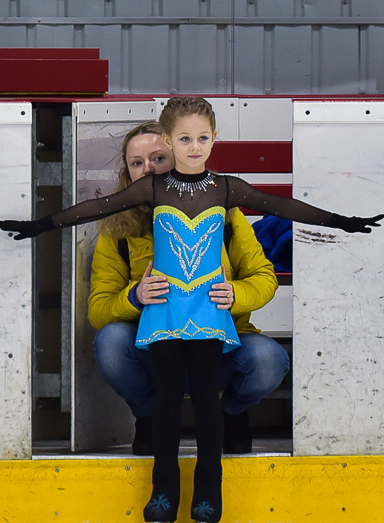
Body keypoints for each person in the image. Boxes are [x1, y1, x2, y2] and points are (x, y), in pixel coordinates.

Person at [0, 96, 383, 523]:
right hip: (164, 315)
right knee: (166, 401)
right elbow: (91, 211)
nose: (193, 147)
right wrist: (39, 226)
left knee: (205, 402)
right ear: (170, 140)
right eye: (183, 140)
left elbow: (281, 206)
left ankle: (208, 494)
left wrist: (342, 222)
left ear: (214, 139)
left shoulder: (226, 191)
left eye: (201, 139)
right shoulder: (148, 194)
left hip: (208, 313)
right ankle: (162, 493)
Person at [87, 121, 289, 457]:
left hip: (217, 346)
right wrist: (135, 297)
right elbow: (98, 310)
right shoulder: (116, 226)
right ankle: (149, 417)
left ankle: (232, 414)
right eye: (137, 163)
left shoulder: (224, 211)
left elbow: (263, 277)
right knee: (110, 342)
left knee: (268, 359)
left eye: (158, 158)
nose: (148, 169)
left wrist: (235, 294)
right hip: (156, 349)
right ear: (128, 174)